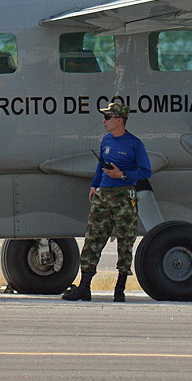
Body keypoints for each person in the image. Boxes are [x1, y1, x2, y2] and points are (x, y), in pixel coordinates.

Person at [64, 100, 152, 302]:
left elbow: (146, 171)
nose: (104, 121)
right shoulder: (106, 140)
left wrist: (123, 175)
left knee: (125, 241)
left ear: (119, 120)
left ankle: (119, 289)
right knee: (93, 239)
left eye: (107, 117)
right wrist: (95, 185)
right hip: (103, 194)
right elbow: (100, 166)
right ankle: (84, 287)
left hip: (123, 195)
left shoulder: (135, 144)